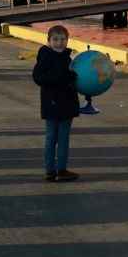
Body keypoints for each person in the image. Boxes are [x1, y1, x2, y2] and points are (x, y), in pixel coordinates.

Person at [33, 24, 80, 182]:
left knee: (63, 139)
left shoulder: (68, 58)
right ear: (48, 41)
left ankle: (61, 169)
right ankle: (50, 170)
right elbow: (38, 77)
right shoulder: (46, 56)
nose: (59, 42)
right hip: (52, 103)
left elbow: (70, 81)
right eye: (55, 39)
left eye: (62, 39)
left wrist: (73, 79)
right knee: (51, 138)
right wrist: (62, 79)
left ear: (67, 41)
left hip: (66, 104)